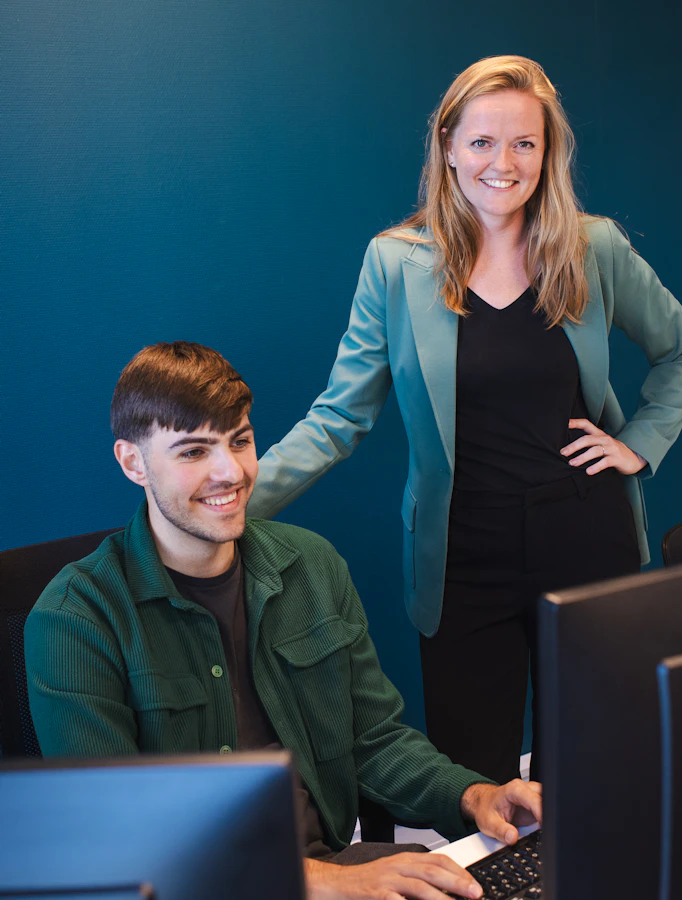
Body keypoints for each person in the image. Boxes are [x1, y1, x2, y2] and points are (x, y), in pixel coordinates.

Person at [248, 55, 682, 784]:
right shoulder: (395, 264)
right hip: (461, 556)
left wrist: (639, 443)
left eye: (525, 143)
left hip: (586, 539)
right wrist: (231, 502)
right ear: (448, 146)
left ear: (548, 153)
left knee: (590, 774)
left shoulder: (592, 247)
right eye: (483, 142)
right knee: (474, 786)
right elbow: (339, 416)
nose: (504, 163)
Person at [24, 341, 542, 900]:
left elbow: (373, 740)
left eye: (239, 440)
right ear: (133, 462)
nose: (231, 472)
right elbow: (120, 838)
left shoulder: (311, 565)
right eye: (194, 451)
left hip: (334, 865)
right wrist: (332, 882)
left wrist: (475, 796)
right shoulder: (76, 619)